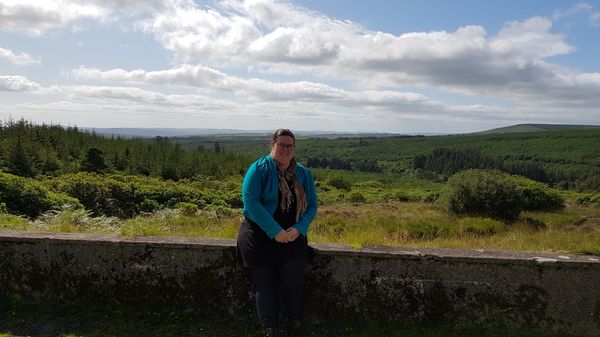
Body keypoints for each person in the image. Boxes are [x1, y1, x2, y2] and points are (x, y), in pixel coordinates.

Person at [237, 128, 318, 337]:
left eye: (289, 146)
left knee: (295, 274)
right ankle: (270, 329)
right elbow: (251, 203)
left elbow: (312, 207)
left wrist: (298, 230)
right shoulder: (258, 169)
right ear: (272, 145)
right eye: (281, 144)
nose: (285, 149)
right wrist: (275, 231)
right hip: (259, 234)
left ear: (294, 148)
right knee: (265, 279)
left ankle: (296, 324)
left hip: (292, 234)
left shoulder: (303, 173)